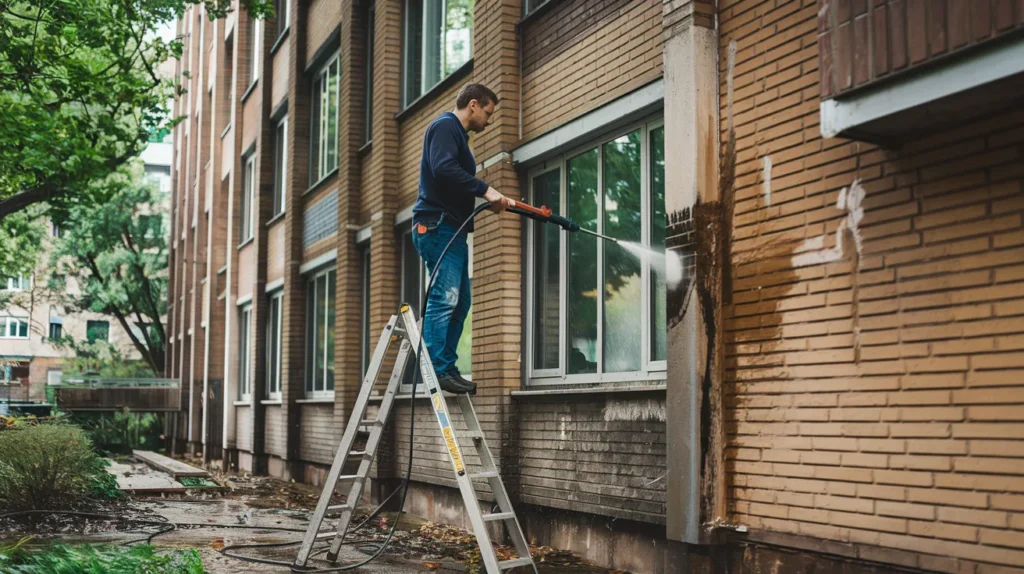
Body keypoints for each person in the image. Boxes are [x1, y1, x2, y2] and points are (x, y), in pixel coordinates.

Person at [412, 83, 513, 394]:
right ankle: (437, 368)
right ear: (473, 105)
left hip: (450, 229)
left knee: (461, 301)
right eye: (488, 112)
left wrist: (487, 200)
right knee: (446, 298)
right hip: (437, 226)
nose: (490, 119)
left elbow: (453, 179)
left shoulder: (458, 137)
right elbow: (444, 169)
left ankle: (446, 365)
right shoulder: (445, 127)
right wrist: (485, 189)